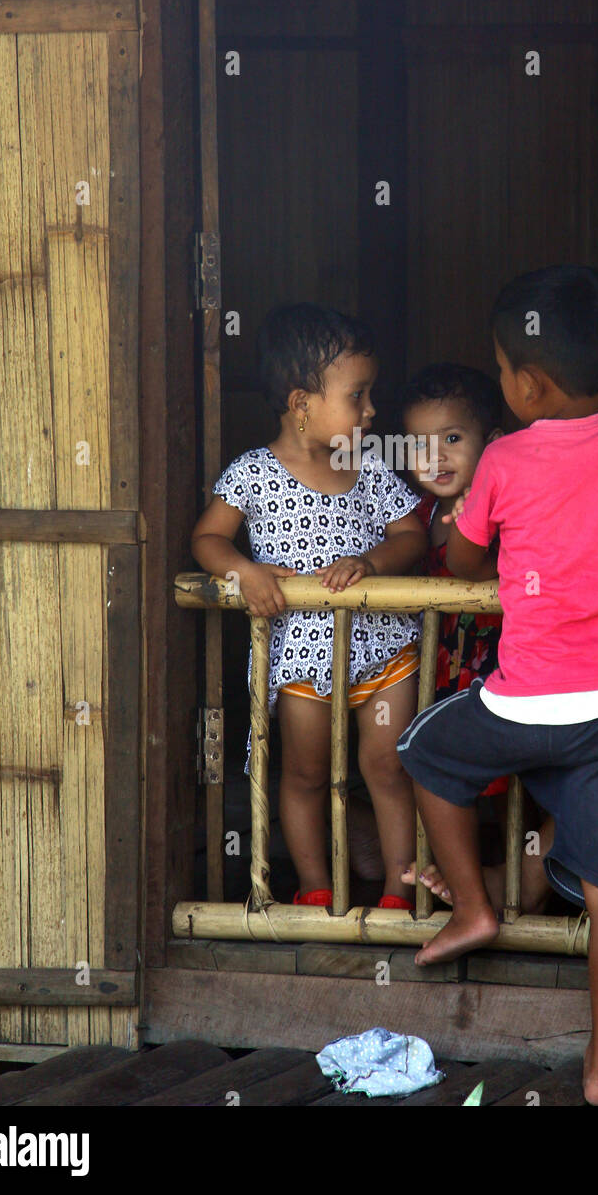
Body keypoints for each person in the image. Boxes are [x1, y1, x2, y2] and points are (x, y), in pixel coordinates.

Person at [397, 265, 598, 1105]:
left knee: (426, 751)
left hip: (522, 701)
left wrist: (476, 537)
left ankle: (475, 908)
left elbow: (465, 562)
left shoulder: (507, 461)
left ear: (524, 384)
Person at [192, 303, 427, 910]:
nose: (373, 410)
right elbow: (207, 539)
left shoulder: (368, 467)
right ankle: (317, 886)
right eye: (359, 395)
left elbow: (412, 536)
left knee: (388, 768)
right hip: (299, 660)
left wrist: (372, 562)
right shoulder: (252, 473)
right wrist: (243, 570)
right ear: (301, 404)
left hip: (381, 651)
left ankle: (401, 892)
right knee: (303, 777)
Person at [399, 363, 550, 914]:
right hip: (442, 666)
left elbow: (504, 571)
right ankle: (456, 871)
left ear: (495, 443)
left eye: (453, 439)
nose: (434, 458)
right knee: (444, 775)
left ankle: (520, 880)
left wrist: (478, 525)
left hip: (505, 666)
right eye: (418, 444)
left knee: (524, 786)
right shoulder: (416, 513)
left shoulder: (508, 505)